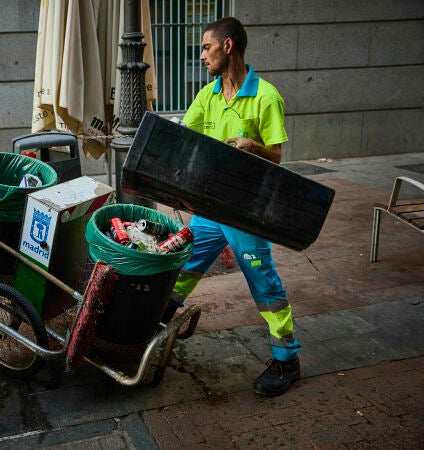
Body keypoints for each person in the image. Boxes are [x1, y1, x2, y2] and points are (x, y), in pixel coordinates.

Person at [165, 17, 301, 397]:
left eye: (206, 47)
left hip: (245, 211)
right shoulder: (207, 95)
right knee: (185, 262)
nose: (202, 55)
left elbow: (277, 155)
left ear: (228, 47)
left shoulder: (266, 96)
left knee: (264, 283)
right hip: (210, 207)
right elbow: (183, 134)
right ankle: (155, 323)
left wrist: (252, 146)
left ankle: (287, 359)